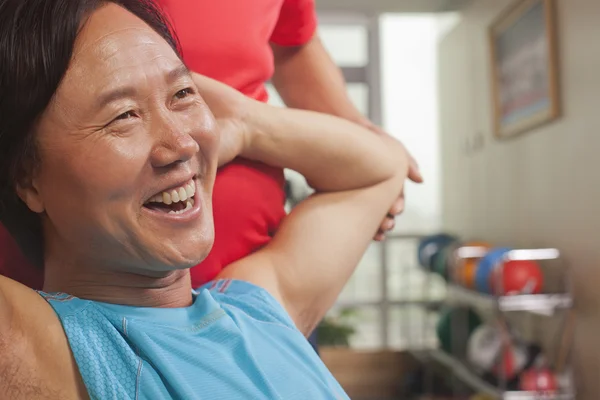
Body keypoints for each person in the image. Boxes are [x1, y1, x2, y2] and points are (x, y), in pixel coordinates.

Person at [0, 0, 409, 398]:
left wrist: (245, 122)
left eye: (182, 94)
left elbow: (380, 168)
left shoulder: (255, 307)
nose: (181, 143)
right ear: (27, 179)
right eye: (124, 115)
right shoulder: (52, 349)